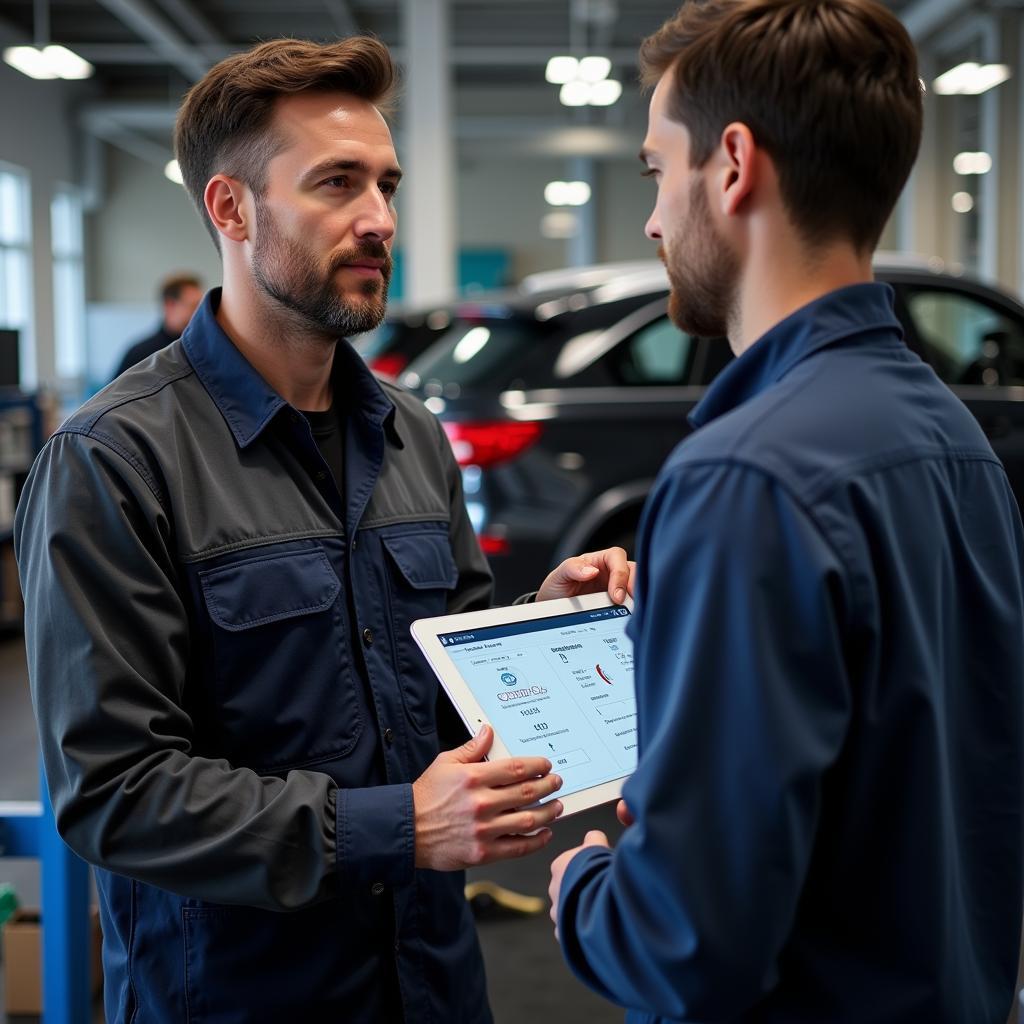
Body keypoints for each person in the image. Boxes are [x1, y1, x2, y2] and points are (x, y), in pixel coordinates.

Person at [15, 38, 633, 1024]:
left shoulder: (410, 436)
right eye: (336, 183)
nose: (379, 218)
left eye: (385, 184)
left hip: (429, 984)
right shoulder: (115, 459)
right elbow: (115, 792)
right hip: (242, 998)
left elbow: (437, 685)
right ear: (230, 207)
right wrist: (392, 826)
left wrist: (536, 627)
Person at [548, 2, 1024, 1022]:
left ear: (730, 164)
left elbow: (684, 947)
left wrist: (584, 893)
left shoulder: (743, 477)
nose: (650, 218)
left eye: (653, 172)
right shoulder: (954, 439)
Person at [111, 272, 204, 378]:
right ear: (170, 305)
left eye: (202, 305)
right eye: (194, 305)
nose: (201, 312)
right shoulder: (139, 355)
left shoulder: (203, 349)